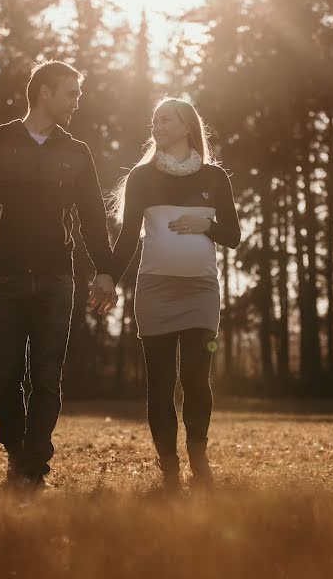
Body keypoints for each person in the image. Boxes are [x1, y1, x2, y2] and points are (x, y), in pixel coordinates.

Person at [0, 60, 117, 490]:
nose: (77, 102)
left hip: (58, 281)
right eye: (71, 93)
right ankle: (16, 447)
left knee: (46, 377)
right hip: (5, 281)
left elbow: (94, 219)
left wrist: (106, 271)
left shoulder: (77, 153)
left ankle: (34, 461)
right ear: (45, 92)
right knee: (4, 377)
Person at [110, 97, 241, 491]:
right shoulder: (141, 177)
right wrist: (108, 277)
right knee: (161, 382)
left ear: (187, 126)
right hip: (156, 290)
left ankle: (198, 457)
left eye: (165, 119)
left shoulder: (215, 178)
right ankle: (169, 467)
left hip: (201, 290)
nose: (157, 125)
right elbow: (129, 236)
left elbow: (232, 236)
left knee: (197, 379)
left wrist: (204, 227)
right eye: (154, 120)